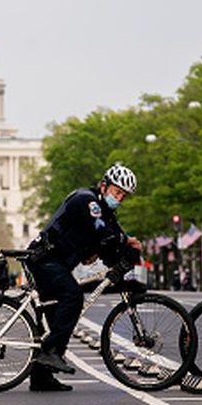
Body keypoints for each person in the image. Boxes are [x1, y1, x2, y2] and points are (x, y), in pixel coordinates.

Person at [25, 163, 142, 392]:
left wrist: (123, 262)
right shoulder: (86, 200)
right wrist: (126, 241)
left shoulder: (107, 212)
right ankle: (49, 353)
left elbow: (109, 243)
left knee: (58, 319)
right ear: (104, 186)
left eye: (124, 196)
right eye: (117, 192)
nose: (120, 198)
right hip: (45, 259)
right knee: (73, 297)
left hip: (57, 263)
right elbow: (103, 231)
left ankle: (41, 378)